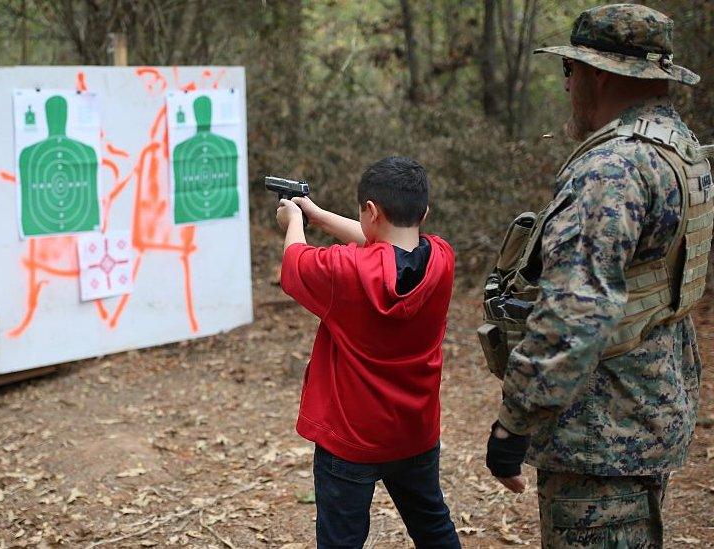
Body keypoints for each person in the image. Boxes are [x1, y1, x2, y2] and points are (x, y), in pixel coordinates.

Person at [480, 4, 713, 547]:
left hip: (602, 429)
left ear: (599, 75)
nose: (567, 86)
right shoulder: (679, 148)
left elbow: (574, 313)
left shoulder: (612, 169)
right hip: (651, 404)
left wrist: (513, 422)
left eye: (571, 70)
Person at [276, 156, 461, 548]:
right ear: (423, 211)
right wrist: (315, 212)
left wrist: (293, 222)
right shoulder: (443, 259)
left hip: (349, 437)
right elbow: (385, 247)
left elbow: (294, 262)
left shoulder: (344, 270)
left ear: (371, 211)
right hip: (415, 432)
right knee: (433, 528)